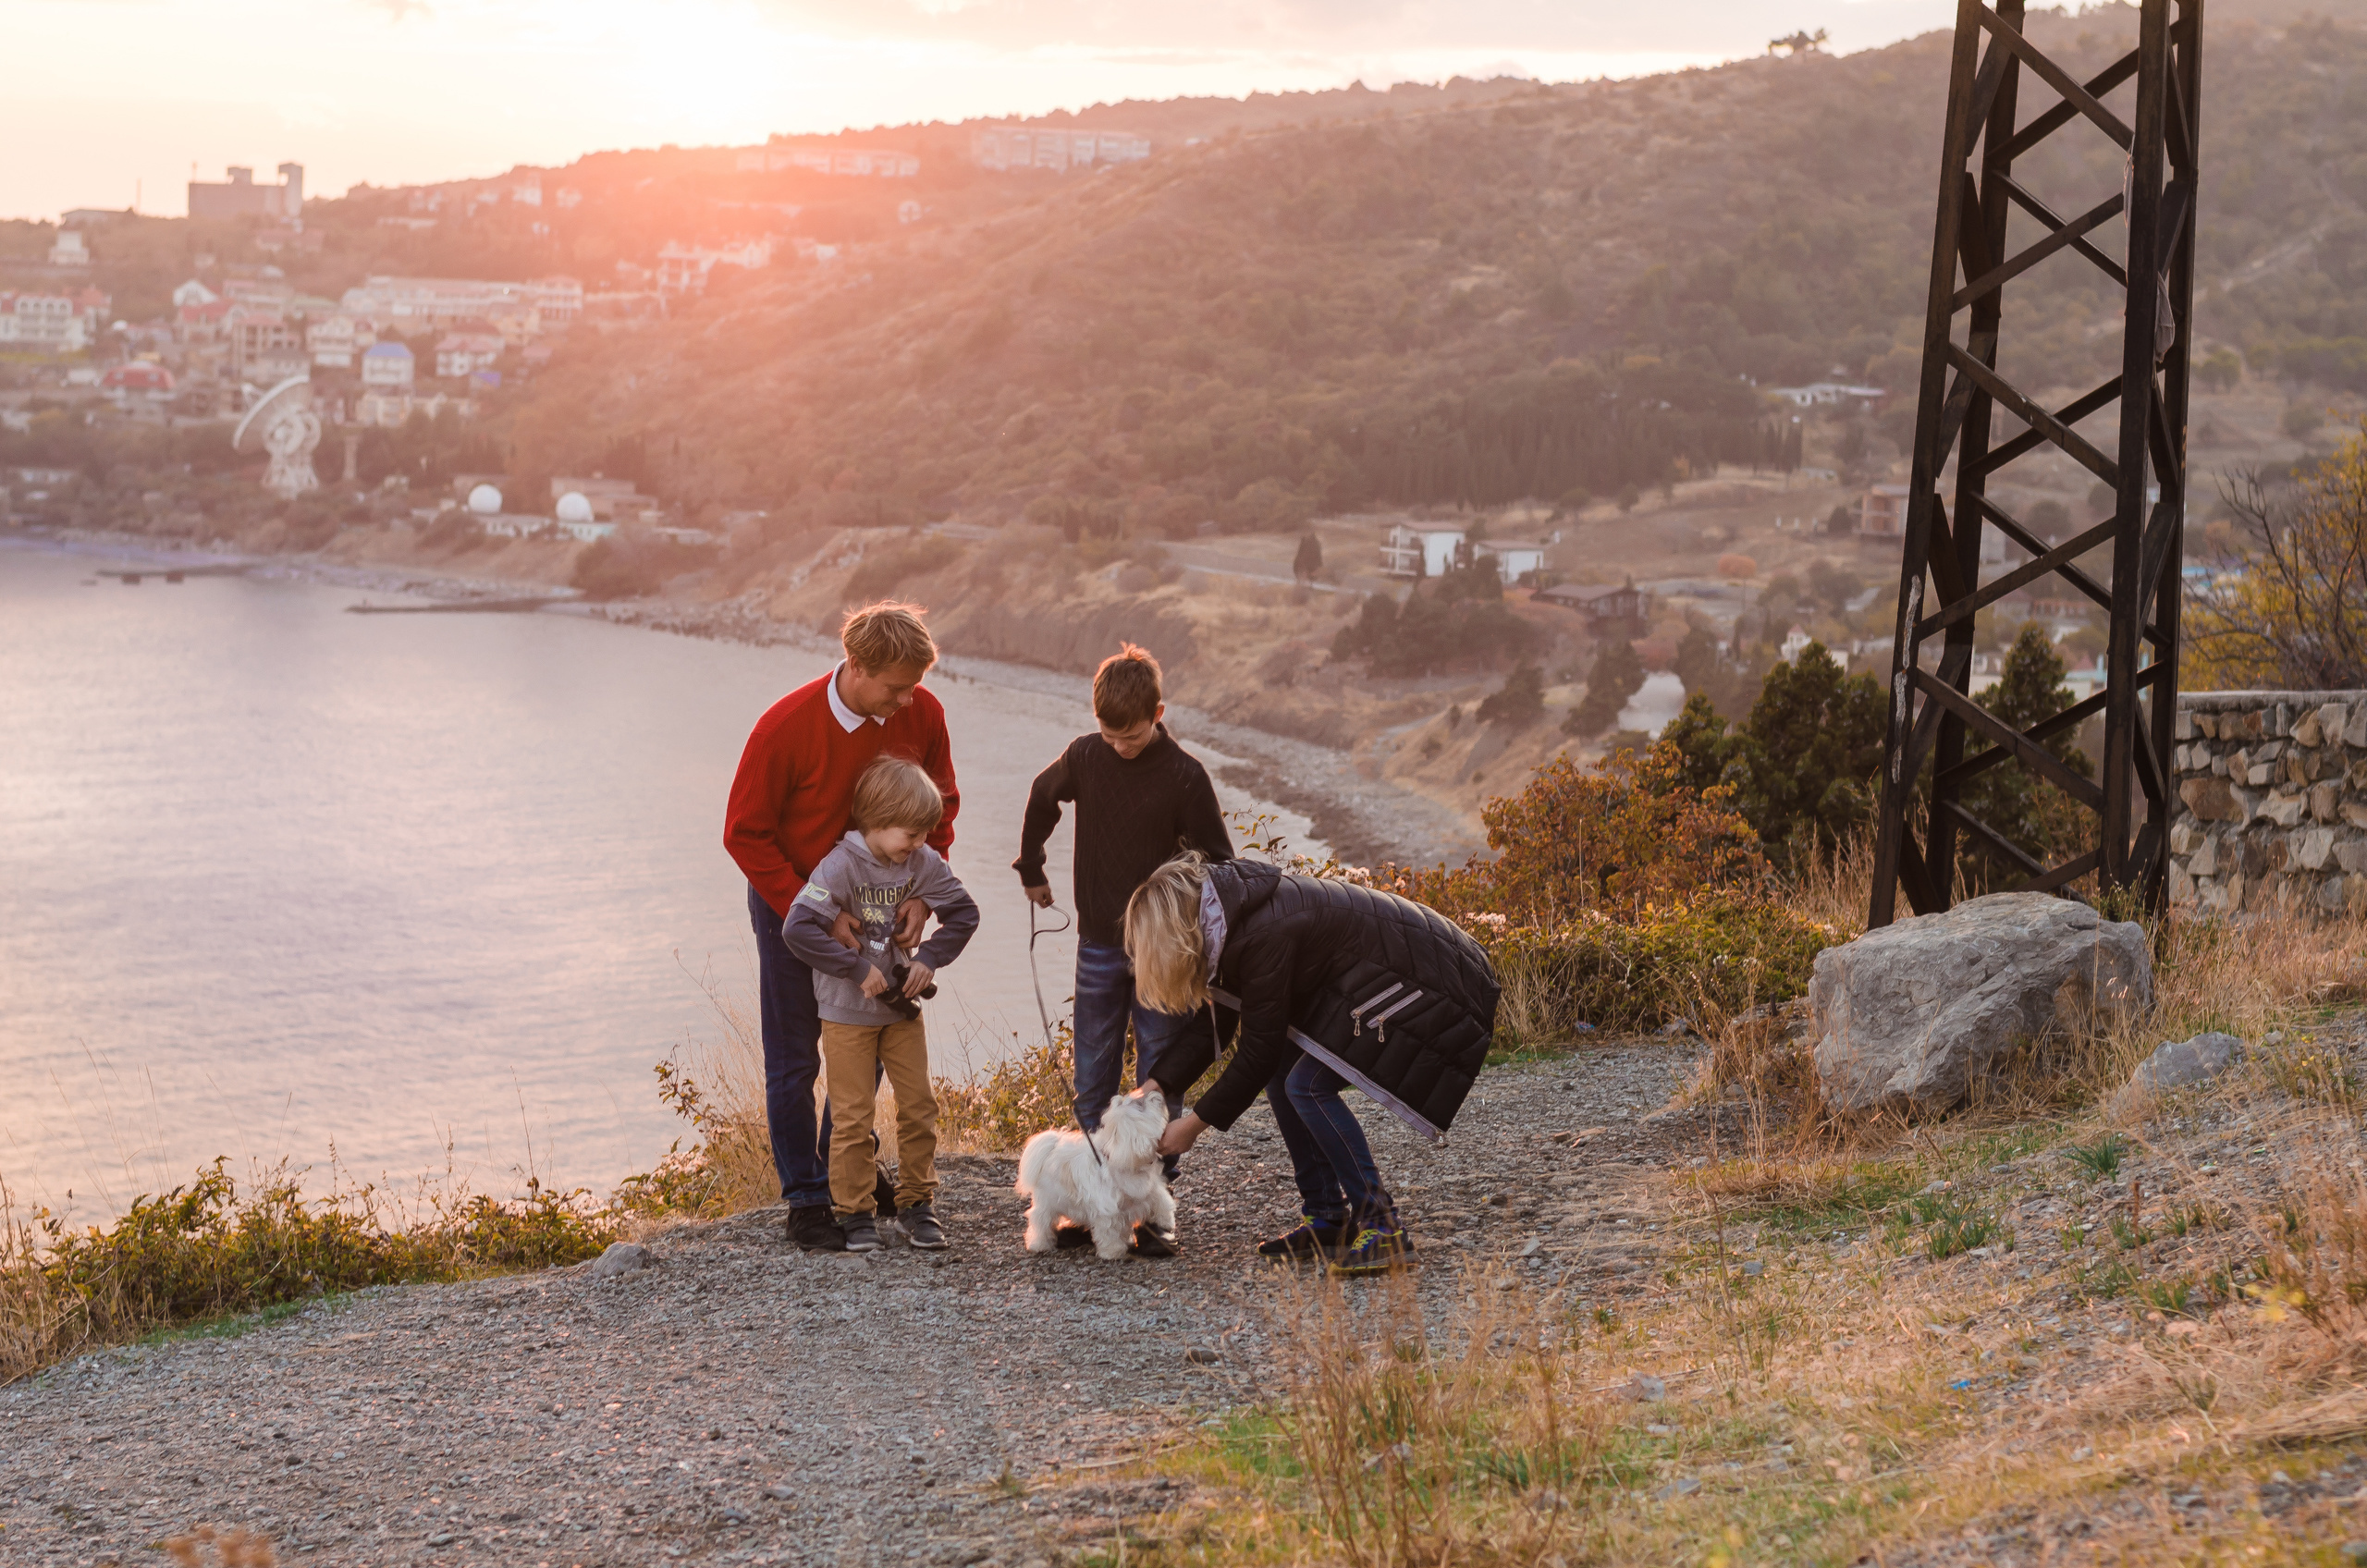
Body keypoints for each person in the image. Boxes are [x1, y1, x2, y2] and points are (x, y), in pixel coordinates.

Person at [1123, 853, 1499, 1276]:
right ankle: (1328, 1218)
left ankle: (1383, 1227)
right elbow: (1215, 1028)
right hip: (1414, 971)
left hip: (1440, 986)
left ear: (1175, 933)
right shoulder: (1226, 922)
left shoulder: (1261, 934)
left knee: (1305, 1084)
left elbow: (1257, 1052)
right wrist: (1153, 1087)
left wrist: (1190, 1127)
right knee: (1285, 1074)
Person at [724, 603, 959, 1254]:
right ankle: (806, 1199)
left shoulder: (924, 713)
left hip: (885, 909)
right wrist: (818, 909)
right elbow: (744, 834)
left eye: (914, 685)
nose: (908, 699)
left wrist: (923, 895)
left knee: (866, 1044)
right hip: (790, 911)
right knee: (796, 1059)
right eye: (895, 687)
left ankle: (843, 1170)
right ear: (855, 665)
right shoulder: (783, 729)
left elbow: (942, 808)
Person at [1013, 644, 1232, 1253]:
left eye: (1131, 736)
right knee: (1092, 1074)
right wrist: (1031, 867)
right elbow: (1040, 794)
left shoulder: (1185, 775)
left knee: (1160, 1075)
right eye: (1110, 735)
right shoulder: (1087, 755)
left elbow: (1219, 860)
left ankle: (1153, 1215)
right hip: (1097, 945)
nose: (1120, 747)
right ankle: (1091, 1202)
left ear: (1159, 712)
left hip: (1163, 953)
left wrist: (1196, 932)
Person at [782, 756, 978, 1252]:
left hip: (900, 1012)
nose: (918, 844)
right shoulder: (840, 866)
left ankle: (917, 1203)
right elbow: (797, 927)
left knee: (918, 1106)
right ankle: (854, 1212)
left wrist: (930, 957)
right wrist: (853, 969)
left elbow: (964, 913)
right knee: (852, 1115)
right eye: (910, 834)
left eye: (922, 835)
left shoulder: (922, 862)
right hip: (846, 1014)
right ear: (875, 819)